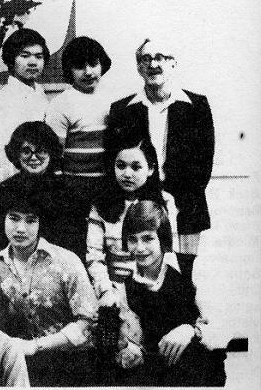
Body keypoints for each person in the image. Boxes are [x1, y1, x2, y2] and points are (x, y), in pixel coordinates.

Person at [106, 37, 214, 257]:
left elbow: (203, 164)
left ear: (173, 63)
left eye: (160, 58)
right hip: (141, 205)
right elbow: (116, 161)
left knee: (184, 270)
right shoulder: (122, 110)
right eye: (146, 59)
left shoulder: (197, 106)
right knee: (144, 268)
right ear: (139, 67)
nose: (153, 64)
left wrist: (176, 198)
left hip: (185, 206)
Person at [0, 195, 99, 386]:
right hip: (19, 365)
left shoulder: (66, 261)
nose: (21, 228)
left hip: (71, 364)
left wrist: (36, 346)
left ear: (41, 223)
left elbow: (88, 322)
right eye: (14, 218)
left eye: (30, 220)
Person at [113, 200, 226, 386]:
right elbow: (138, 342)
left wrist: (190, 330)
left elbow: (222, 329)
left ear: (162, 238)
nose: (139, 248)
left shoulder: (190, 268)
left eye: (148, 238)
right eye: (133, 239)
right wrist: (132, 349)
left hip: (201, 374)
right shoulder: (127, 285)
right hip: (160, 378)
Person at [86, 135, 175, 307]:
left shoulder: (165, 202)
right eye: (121, 166)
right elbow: (94, 256)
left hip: (154, 290)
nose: (127, 174)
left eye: (136, 167)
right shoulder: (101, 205)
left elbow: (170, 253)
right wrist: (106, 291)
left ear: (150, 169)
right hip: (114, 291)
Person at [46, 36, 114, 252]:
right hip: (74, 194)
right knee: (76, 248)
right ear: (69, 70)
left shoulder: (112, 101)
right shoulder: (61, 104)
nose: (88, 72)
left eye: (93, 64)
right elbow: (53, 156)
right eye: (79, 66)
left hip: (107, 191)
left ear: (102, 64)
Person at [0, 121, 83, 260]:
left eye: (41, 151)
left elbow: (74, 246)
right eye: (26, 151)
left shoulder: (67, 193)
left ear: (51, 153)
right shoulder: (2, 192)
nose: (33, 157)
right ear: (17, 154)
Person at [0, 28, 50, 185]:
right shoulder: (4, 101)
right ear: (12, 60)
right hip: (19, 184)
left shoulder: (40, 93)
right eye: (25, 56)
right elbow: (1, 157)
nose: (33, 62)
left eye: (39, 56)